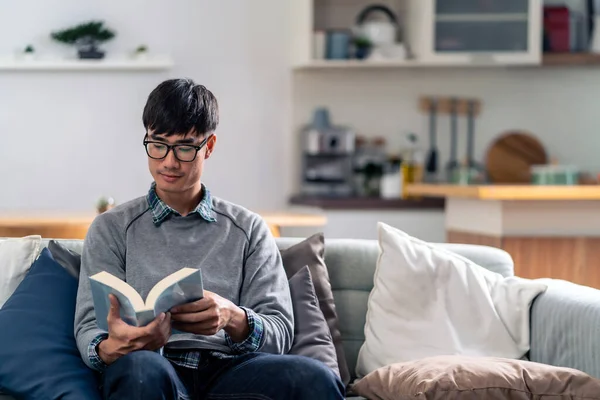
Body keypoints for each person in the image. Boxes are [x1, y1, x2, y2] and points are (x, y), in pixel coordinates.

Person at [74, 78, 345, 399]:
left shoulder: (250, 229)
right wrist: (109, 348)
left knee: (312, 377)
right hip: (150, 366)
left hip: (230, 369)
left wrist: (234, 318)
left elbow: (280, 333)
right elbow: (89, 326)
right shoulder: (111, 228)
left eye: (185, 148)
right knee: (141, 371)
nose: (169, 161)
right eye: (158, 144)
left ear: (210, 146)